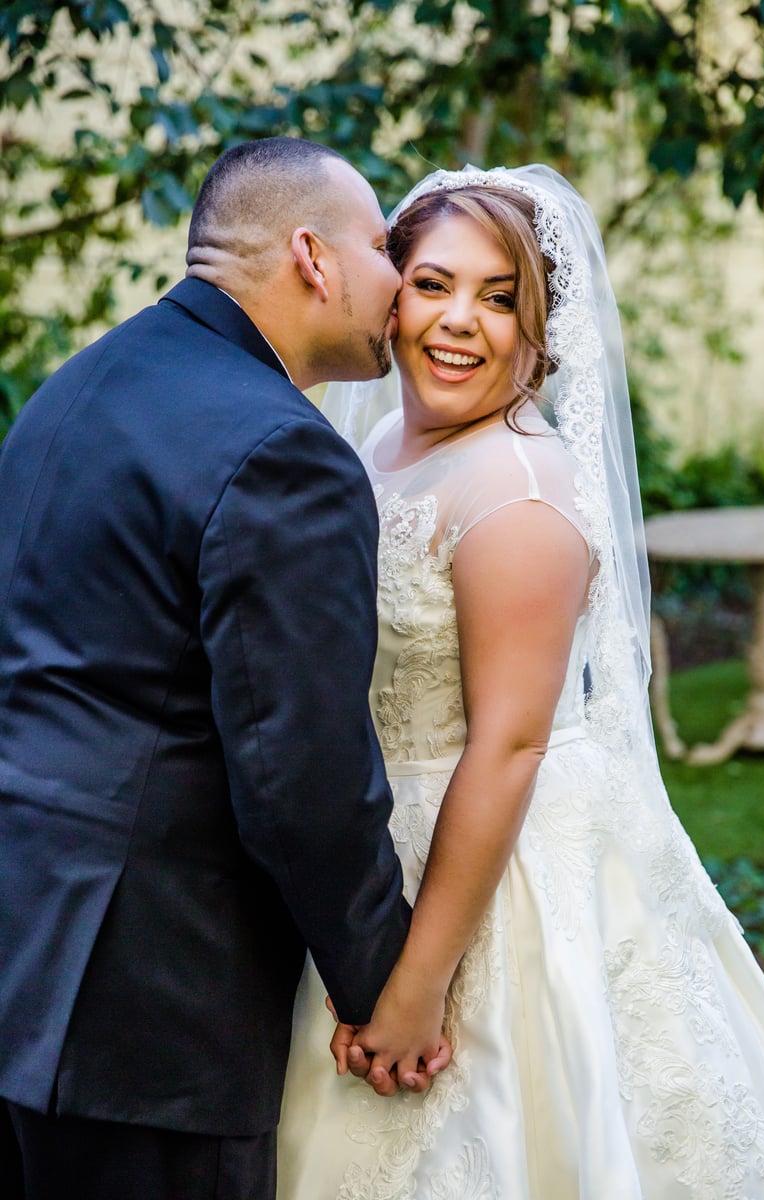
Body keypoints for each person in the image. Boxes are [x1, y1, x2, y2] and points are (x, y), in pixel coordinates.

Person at [277, 165, 764, 1199]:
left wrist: (418, 986)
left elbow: (509, 746)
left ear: (540, 328)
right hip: (384, 839)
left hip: (497, 867)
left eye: (499, 296)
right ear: (390, 294)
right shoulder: (385, 442)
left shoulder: (516, 494)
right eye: (432, 284)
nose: (457, 321)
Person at [0, 136, 450, 1200]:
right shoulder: (283, 453)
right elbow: (301, 775)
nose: (398, 286)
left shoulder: (77, 387)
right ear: (312, 257)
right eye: (383, 249)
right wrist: (383, 983)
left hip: (23, 945)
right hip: (149, 1003)